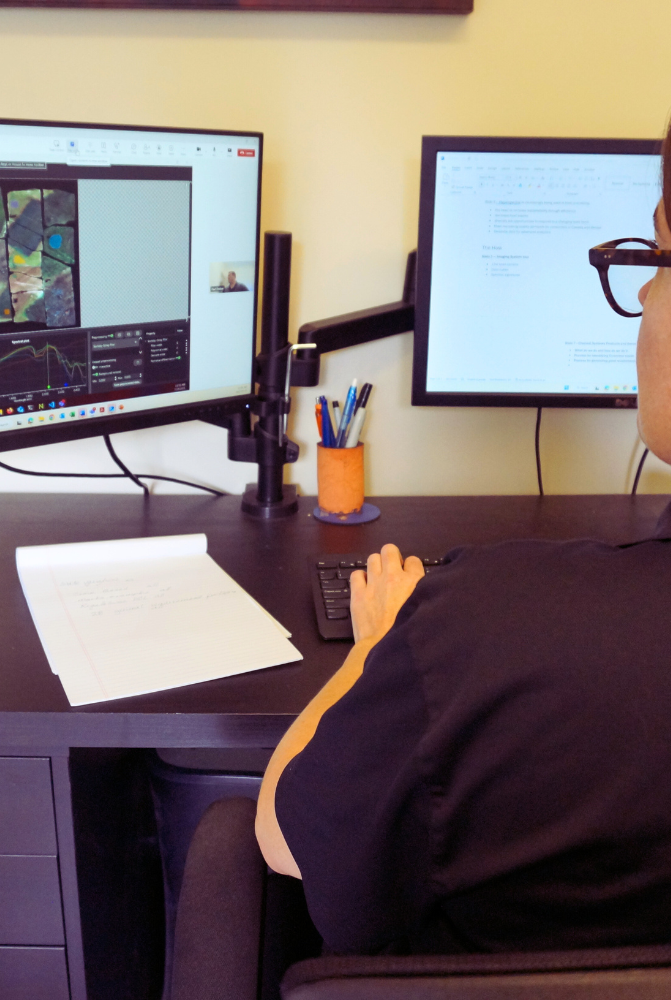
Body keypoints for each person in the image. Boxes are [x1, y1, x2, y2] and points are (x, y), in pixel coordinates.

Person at [256, 123, 671, 957]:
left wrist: (376, 648)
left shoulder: (480, 627)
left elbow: (280, 835)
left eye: (655, 260)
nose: (648, 295)